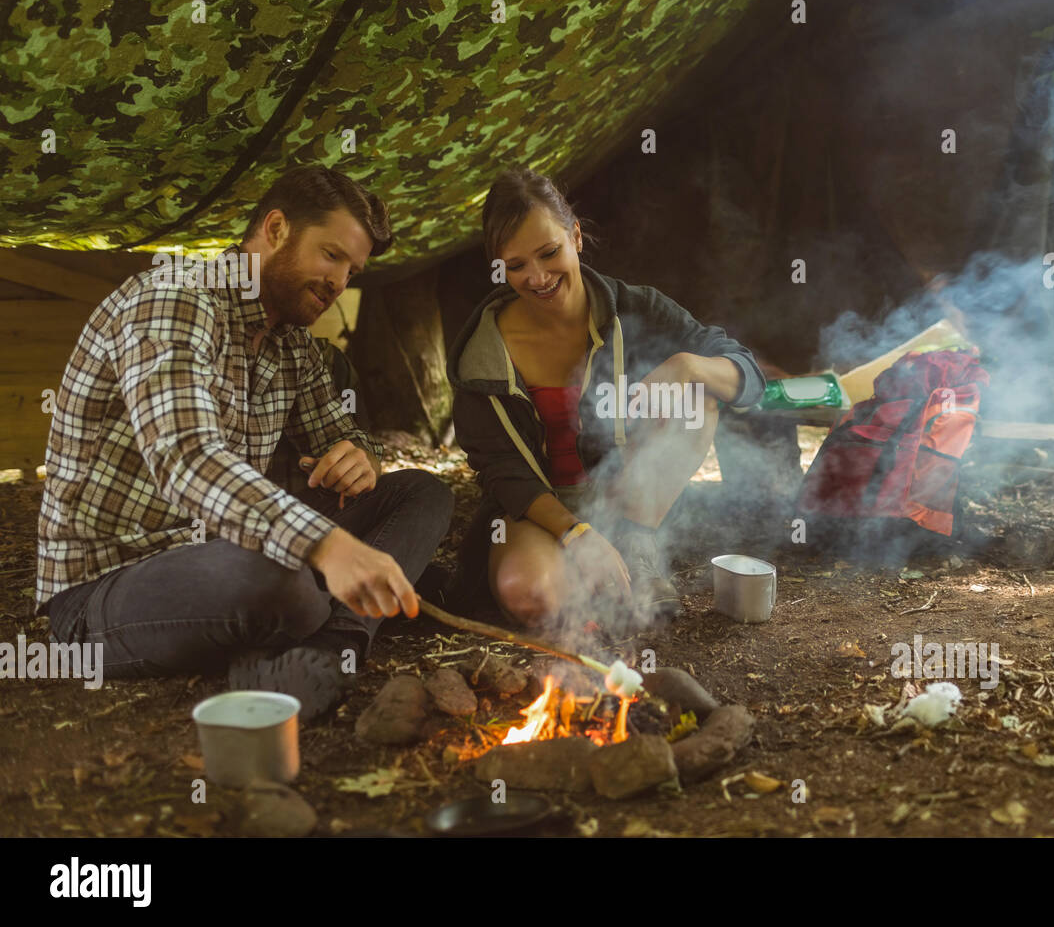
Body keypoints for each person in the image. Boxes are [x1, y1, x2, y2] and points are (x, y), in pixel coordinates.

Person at [36, 165, 453, 721]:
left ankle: (331, 652)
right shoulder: (175, 299)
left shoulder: (292, 342)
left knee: (422, 493)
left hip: (226, 550)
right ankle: (305, 626)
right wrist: (330, 547)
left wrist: (361, 457)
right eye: (331, 255)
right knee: (286, 580)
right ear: (276, 228)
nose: (339, 283)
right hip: (107, 587)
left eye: (352, 270)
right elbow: (187, 458)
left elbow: (339, 429)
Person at [447, 168, 765, 633]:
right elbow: (501, 472)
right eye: (515, 266)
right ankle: (587, 570)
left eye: (549, 253)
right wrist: (575, 533)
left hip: (624, 492)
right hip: (534, 509)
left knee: (697, 397)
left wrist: (688, 365)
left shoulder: (633, 308)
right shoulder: (482, 350)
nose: (537, 278)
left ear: (575, 235)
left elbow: (747, 374)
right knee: (532, 596)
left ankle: (635, 545)